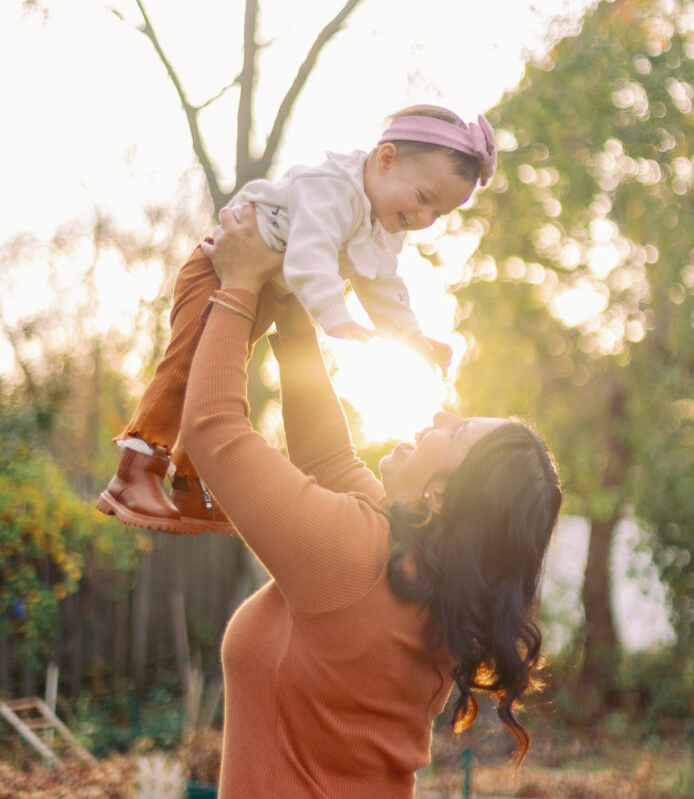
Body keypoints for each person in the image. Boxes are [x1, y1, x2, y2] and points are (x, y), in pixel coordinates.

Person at [178, 204, 562, 799]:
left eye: (456, 431)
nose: (440, 414)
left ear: (443, 497)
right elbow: (326, 452)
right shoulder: (420, 581)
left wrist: (238, 288)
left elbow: (211, 430)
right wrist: (292, 319)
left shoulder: (357, 556)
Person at [96, 105, 497, 536]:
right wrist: (337, 319)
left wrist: (413, 338)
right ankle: (134, 472)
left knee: (216, 379)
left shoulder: (382, 224)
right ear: (386, 159)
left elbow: (382, 283)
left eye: (436, 214)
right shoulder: (332, 188)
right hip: (218, 268)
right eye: (422, 198)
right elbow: (311, 255)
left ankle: (190, 487)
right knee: (185, 367)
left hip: (260, 287)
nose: (422, 219)